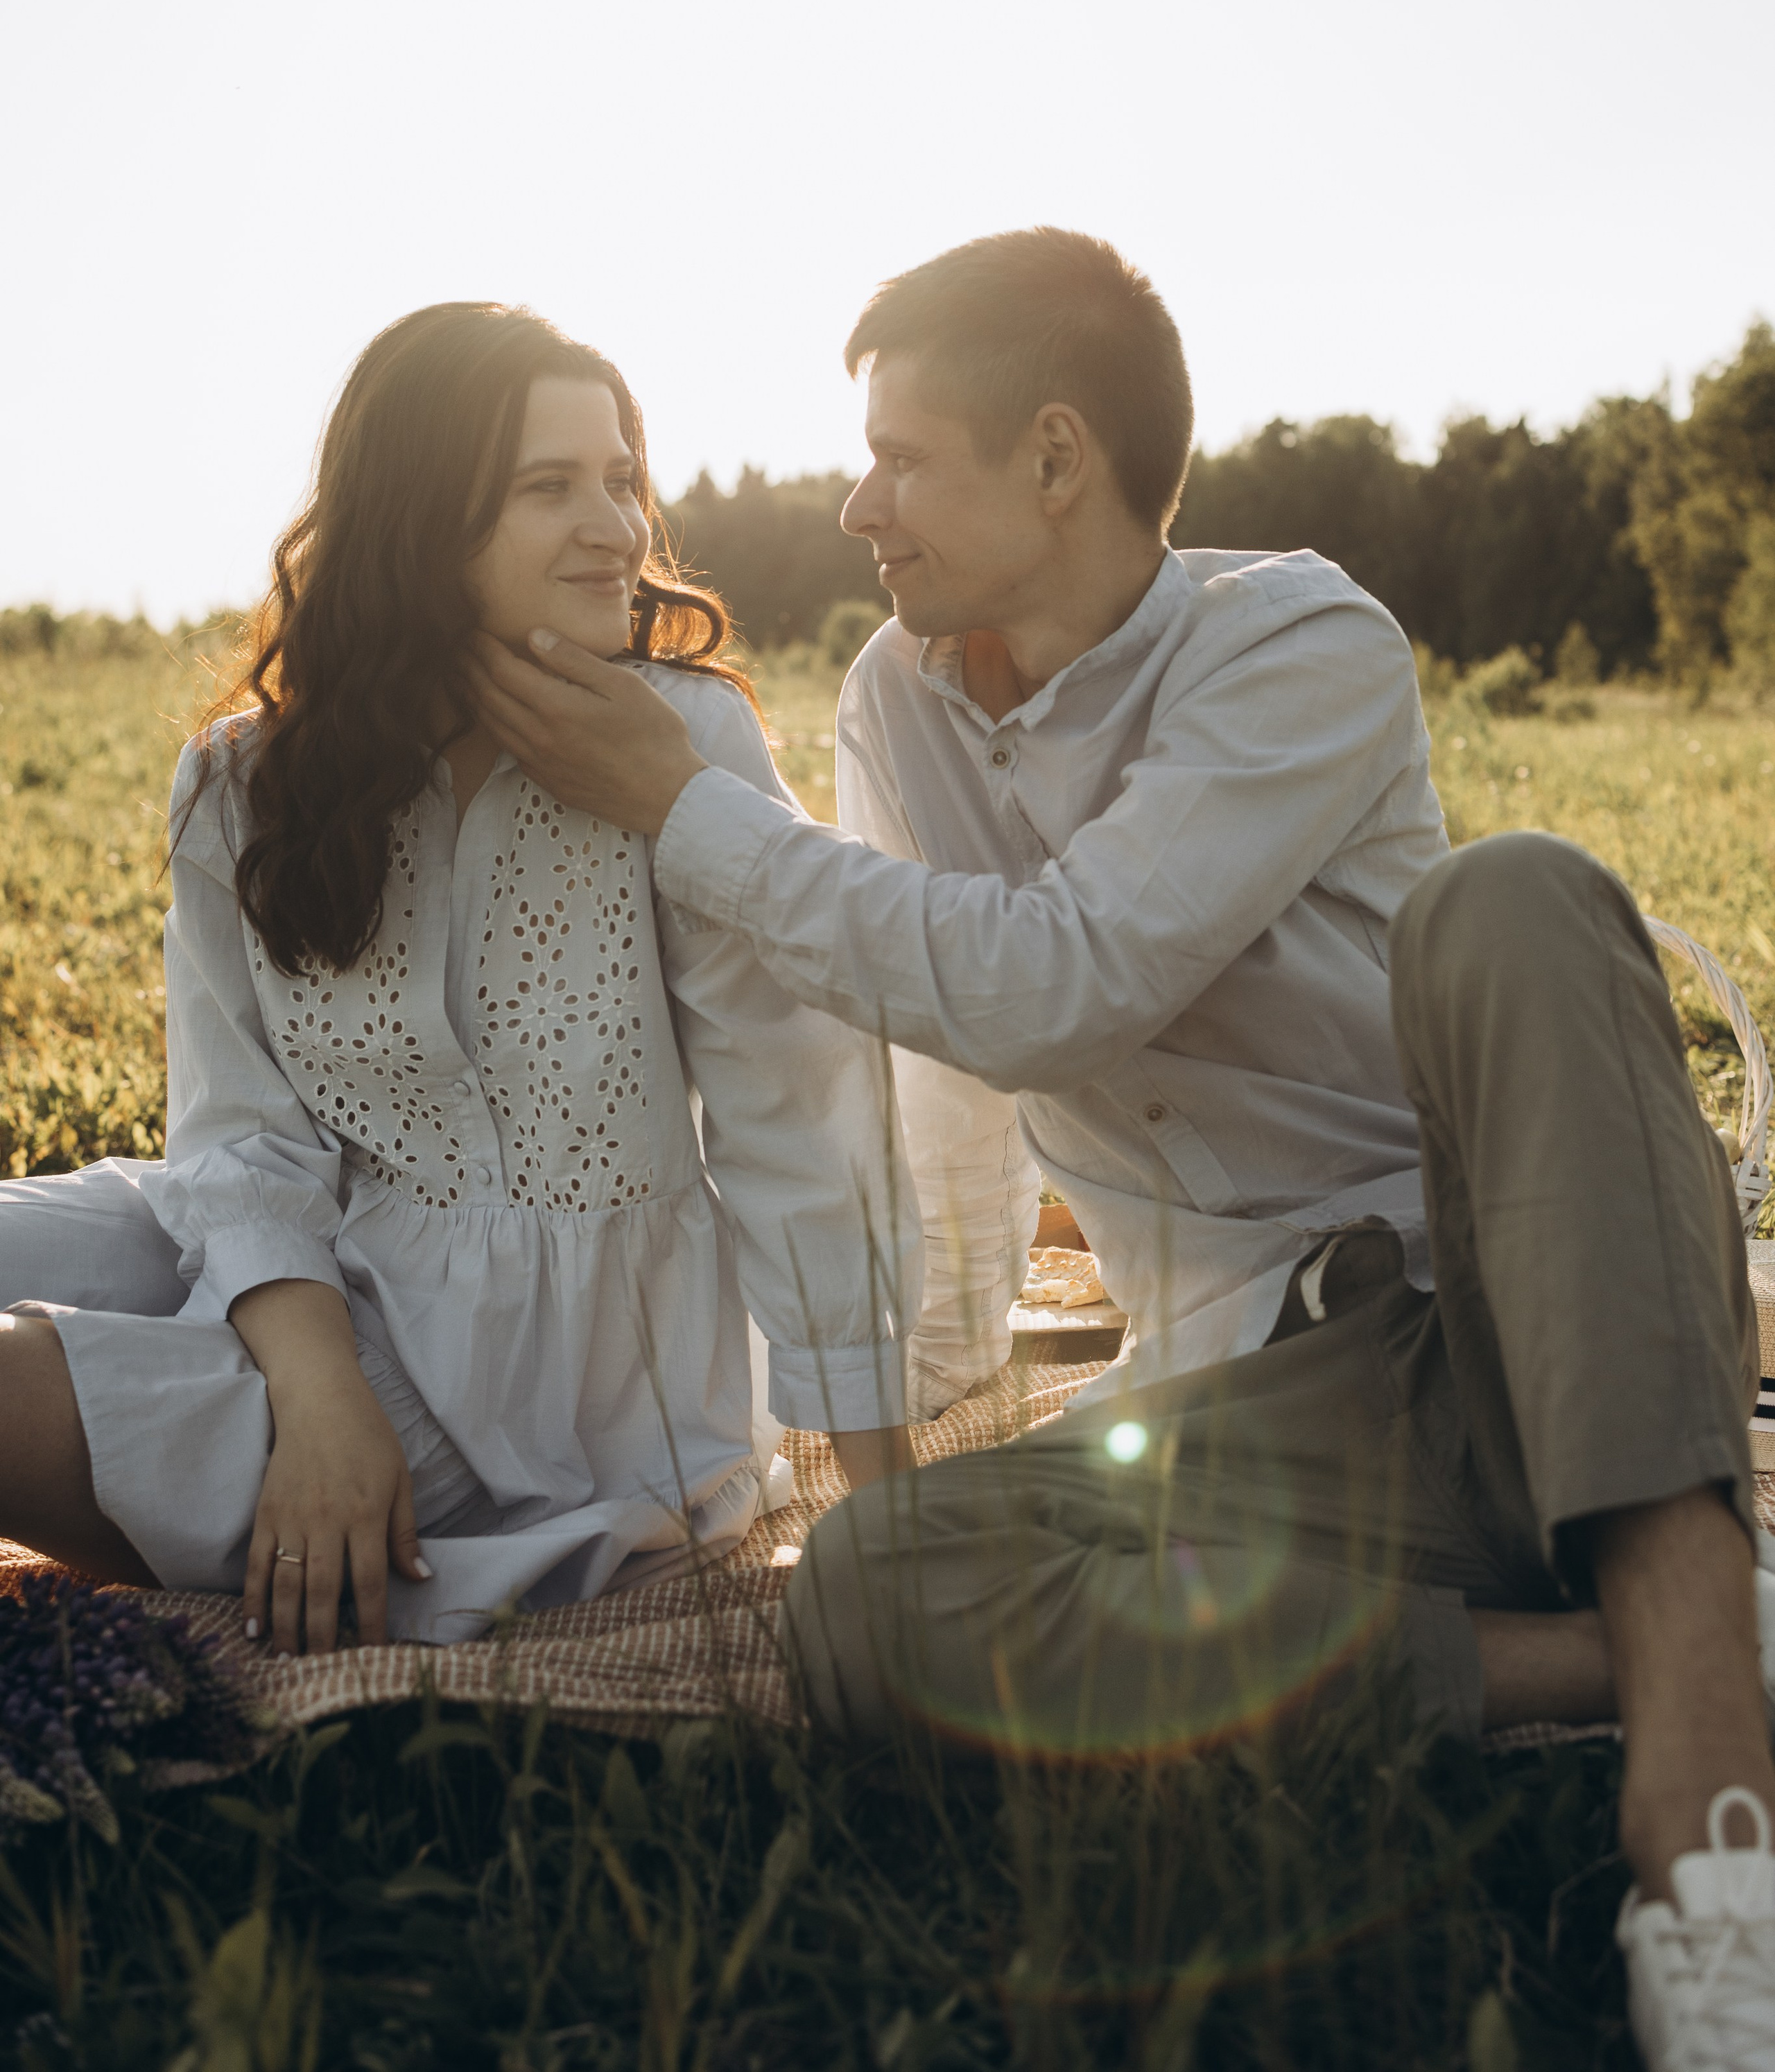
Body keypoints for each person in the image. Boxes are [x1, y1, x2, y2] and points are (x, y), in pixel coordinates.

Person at [467, 229, 1775, 2066]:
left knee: (1525, 895)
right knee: (871, 1589)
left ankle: (1706, 1795)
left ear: (1058, 459)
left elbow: (1058, 986)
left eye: (903, 459)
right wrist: (914, 1407)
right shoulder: (899, 702)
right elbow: (950, 1074)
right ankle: (1633, 1647)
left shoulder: (1298, 639)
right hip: (1265, 1420)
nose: (860, 508)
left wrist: (687, 813)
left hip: (1532, 1324)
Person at [0, 302, 917, 1657]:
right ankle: (263, 1406)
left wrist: (888, 1513)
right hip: (314, 1252)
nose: (613, 526)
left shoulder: (684, 740)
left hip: (549, 1390)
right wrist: (316, 1395)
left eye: (619, 480)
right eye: (549, 488)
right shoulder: (243, 780)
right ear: (419, 520)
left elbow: (797, 1122)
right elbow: (239, 1138)